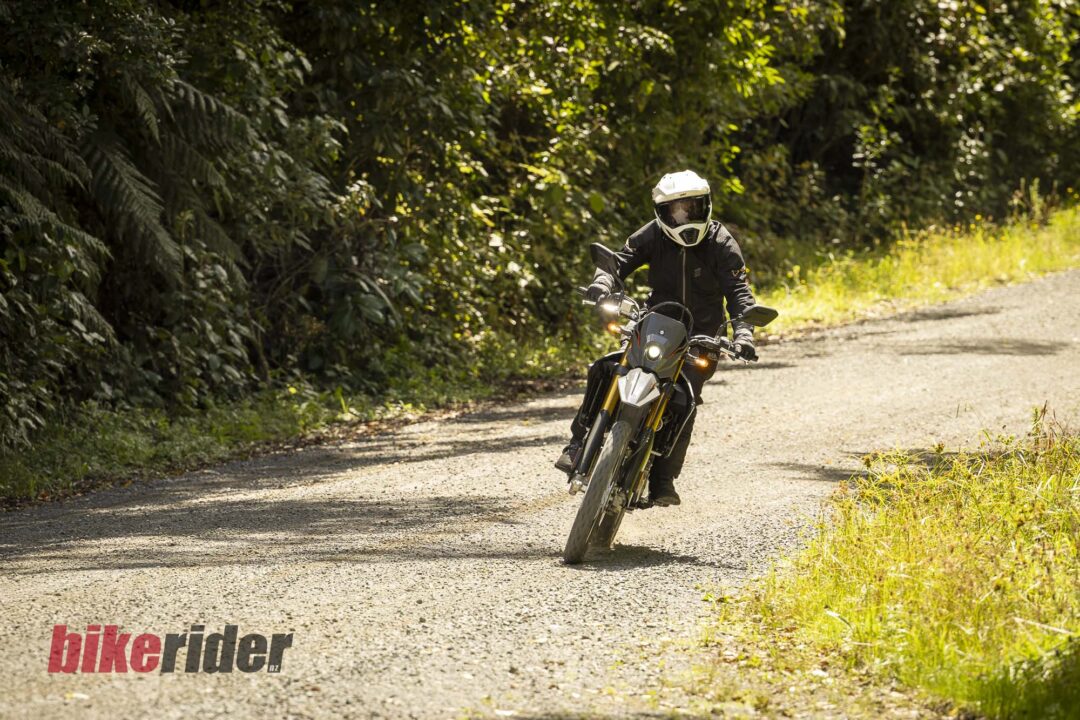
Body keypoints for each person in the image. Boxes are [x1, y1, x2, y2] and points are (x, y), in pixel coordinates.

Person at [555, 169, 758, 506]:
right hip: (654, 322)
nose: (684, 216)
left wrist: (745, 331)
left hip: (702, 335)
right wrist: (604, 283)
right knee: (605, 369)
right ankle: (577, 445)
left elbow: (739, 291)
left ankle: (663, 479)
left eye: (692, 208)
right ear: (663, 213)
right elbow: (619, 261)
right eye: (676, 210)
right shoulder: (653, 234)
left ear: (705, 205)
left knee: (685, 400)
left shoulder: (721, 242)